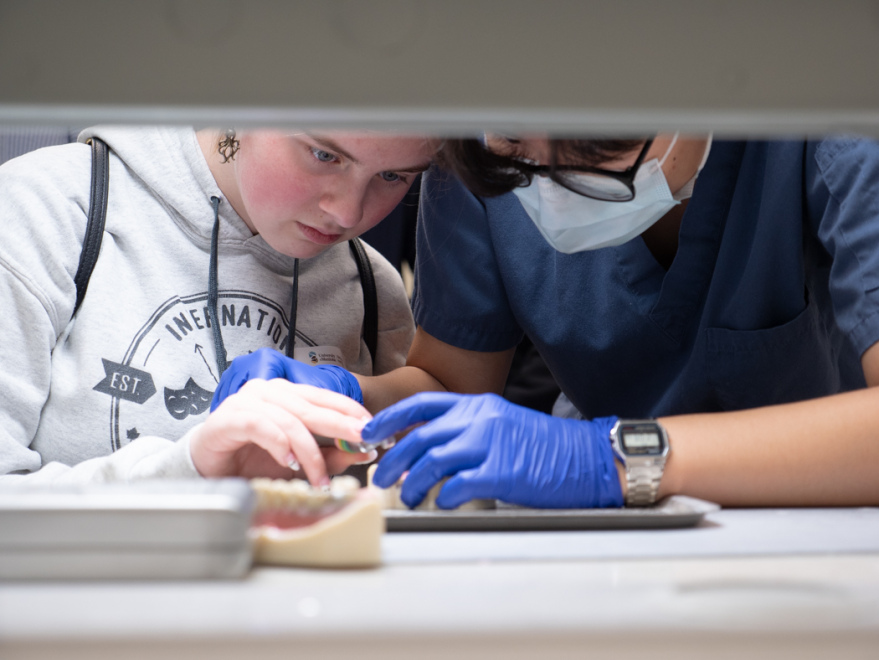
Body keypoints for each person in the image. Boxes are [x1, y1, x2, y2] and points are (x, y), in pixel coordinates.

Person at [216, 132, 879, 510]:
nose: (549, 188)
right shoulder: (479, 165)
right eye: (513, 144)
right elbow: (452, 387)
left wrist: (610, 458)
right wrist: (351, 403)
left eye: (596, 145)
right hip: (607, 550)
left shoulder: (832, 124)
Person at [0, 125, 434, 486]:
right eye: (324, 155)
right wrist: (190, 470)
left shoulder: (371, 282)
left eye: (392, 176)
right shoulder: (45, 209)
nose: (347, 214)